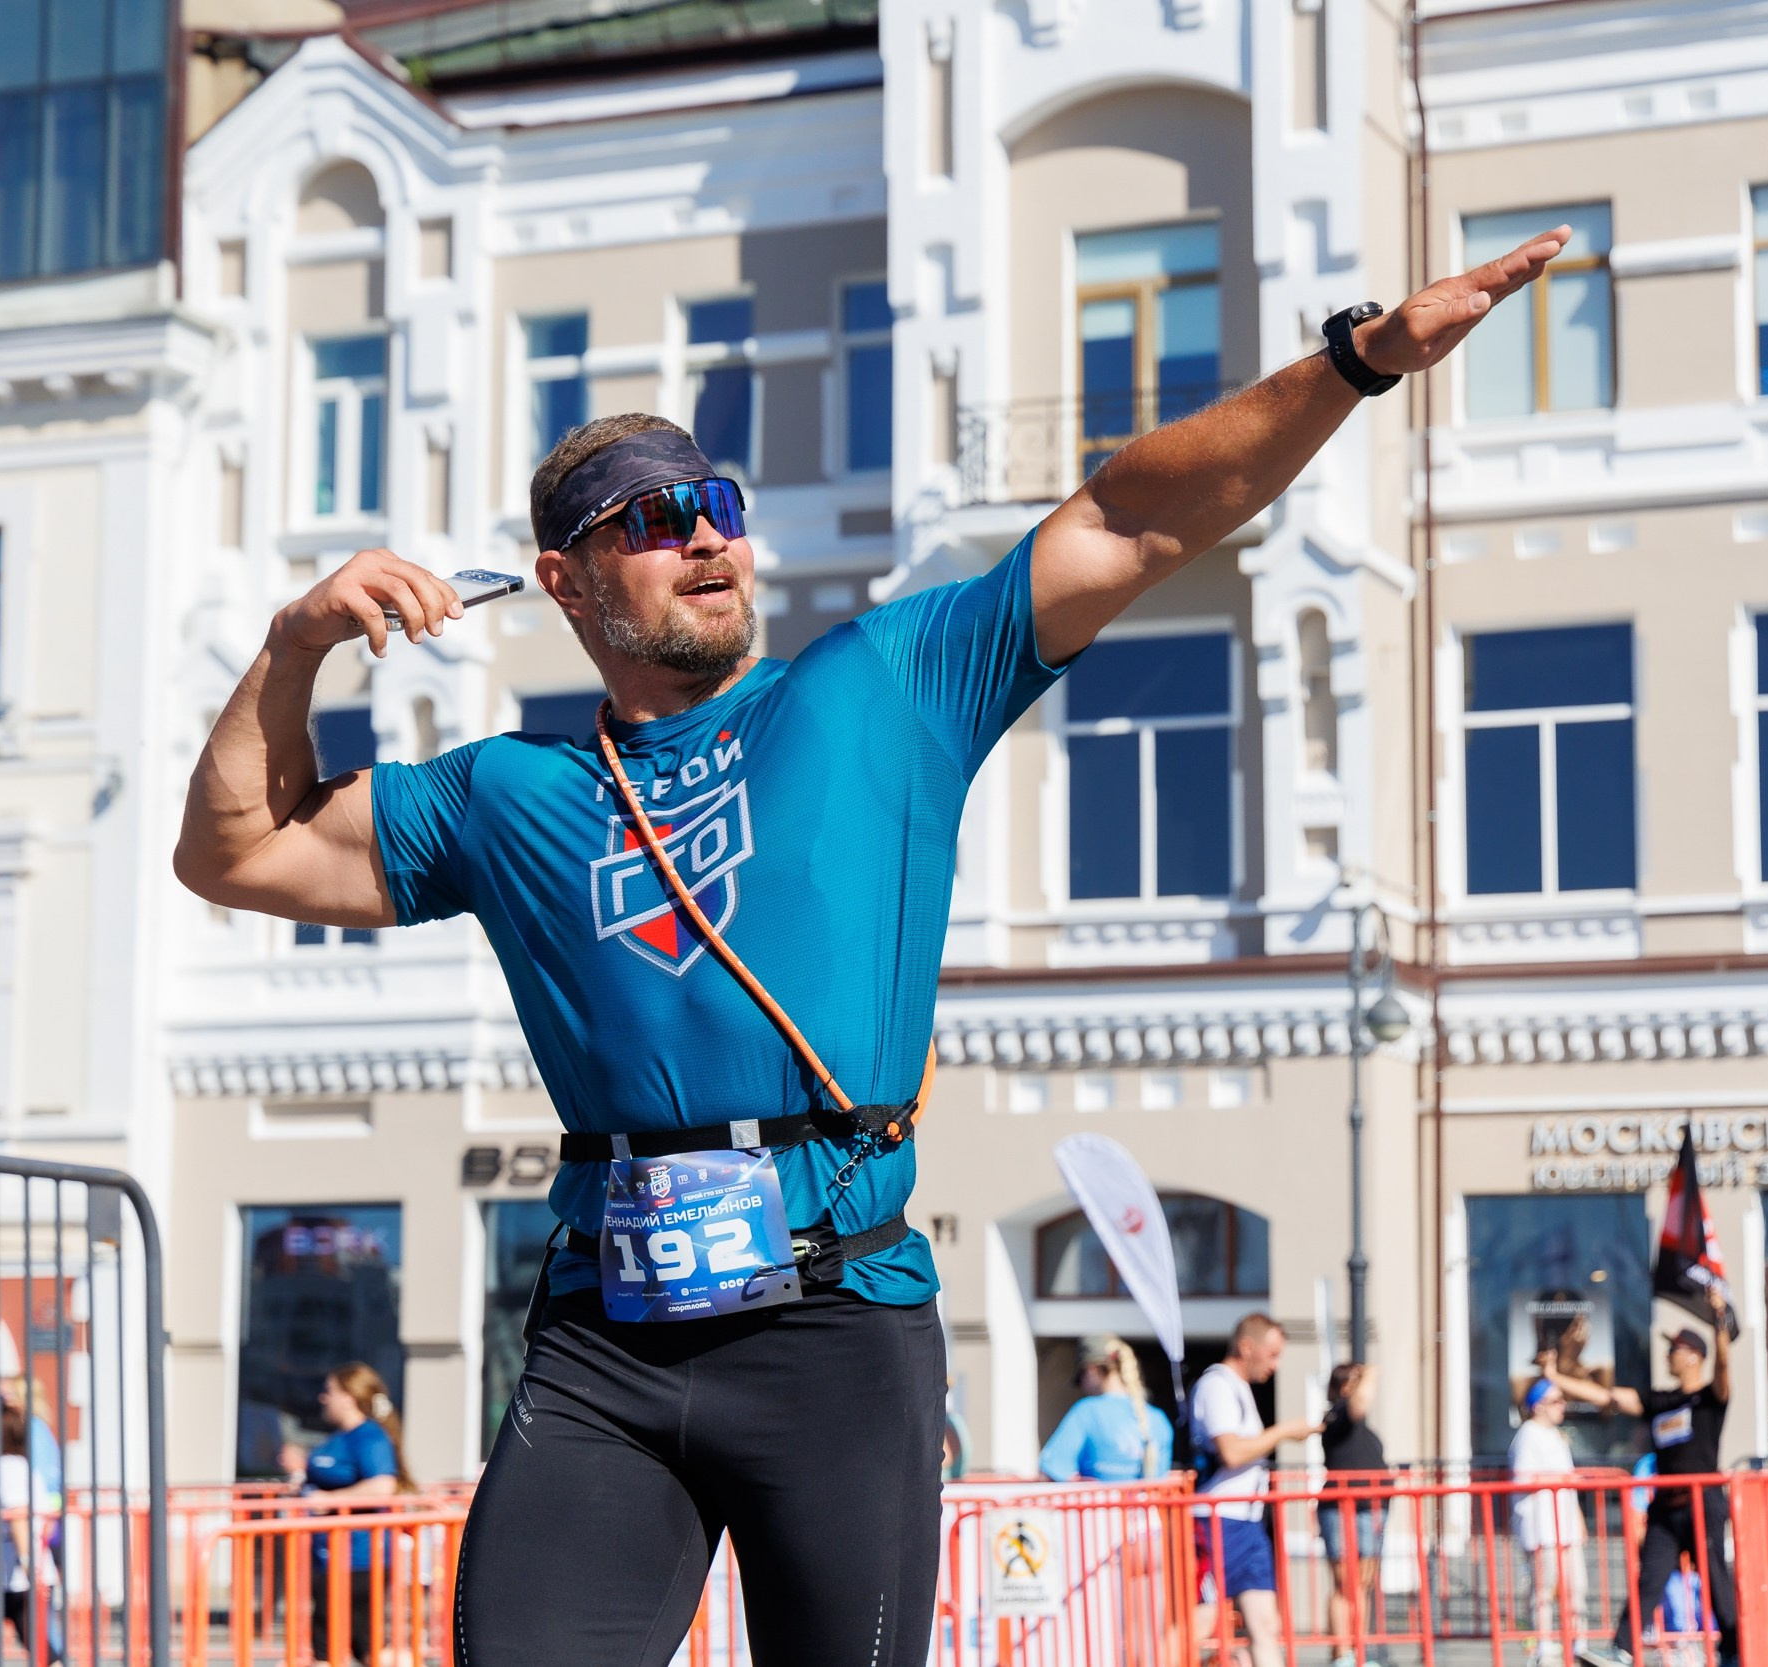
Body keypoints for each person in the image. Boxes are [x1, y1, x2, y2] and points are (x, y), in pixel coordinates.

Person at [171, 217, 1566, 1664]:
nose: (706, 533)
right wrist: (294, 644)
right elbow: (234, 849)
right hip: (605, 1336)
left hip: (837, 1323)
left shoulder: (878, 685)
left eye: (716, 499)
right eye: (652, 520)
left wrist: (1355, 362)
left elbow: (1134, 518)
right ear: (567, 580)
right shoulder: (507, 792)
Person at [1542, 1288, 1734, 1667]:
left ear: (1693, 1356)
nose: (1667, 1355)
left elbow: (1724, 1366)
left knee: (1714, 1579)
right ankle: (1622, 1649)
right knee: (1649, 1579)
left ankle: (1735, 1649)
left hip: (1702, 1501)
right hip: (1666, 1505)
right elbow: (1608, 1397)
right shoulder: (1661, 1401)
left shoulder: (1710, 1398)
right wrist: (1555, 1377)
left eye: (1674, 1349)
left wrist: (1719, 1321)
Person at [1189, 1314, 1318, 1667]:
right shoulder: (1217, 1385)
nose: (1275, 1365)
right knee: (1203, 1620)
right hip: (1214, 1520)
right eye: (1272, 1354)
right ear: (1247, 1347)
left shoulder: (1238, 1386)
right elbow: (1231, 1451)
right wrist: (1283, 1432)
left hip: (1246, 1521)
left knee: (1265, 1623)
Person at [304, 1364, 413, 1666]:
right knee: (356, 1646)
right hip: (332, 1556)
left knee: (361, 1646)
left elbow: (383, 1485)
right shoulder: (343, 1436)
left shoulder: (368, 1437)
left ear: (349, 1397)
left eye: (330, 1391)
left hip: (359, 1558)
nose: (323, 1398)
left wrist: (329, 1499)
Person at [1511, 1377, 1588, 1664]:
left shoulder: (1557, 1435)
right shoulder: (1528, 1435)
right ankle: (1544, 1644)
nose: (1562, 1406)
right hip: (1541, 1527)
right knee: (1543, 1590)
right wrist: (1562, 1481)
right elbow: (1523, 1478)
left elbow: (1568, 1485)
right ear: (1539, 1406)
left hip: (1564, 1526)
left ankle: (1577, 1641)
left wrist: (1578, 1518)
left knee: (1575, 1587)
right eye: (1556, 1401)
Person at [1318, 1362, 1387, 1667]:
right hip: (1341, 1507)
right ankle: (1341, 1653)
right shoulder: (1336, 1416)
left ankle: (1358, 1651)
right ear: (1346, 1387)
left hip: (1370, 1509)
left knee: (1363, 1584)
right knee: (1344, 1584)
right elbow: (1358, 1405)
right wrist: (1370, 1372)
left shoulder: (1362, 1430)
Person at [0, 1406, 51, 1665]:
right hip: (7, 1574)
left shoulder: (9, 1467)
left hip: (13, 1575)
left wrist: (30, 1567)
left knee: (35, 1644)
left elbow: (19, 1517)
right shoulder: (15, 1466)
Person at [1040, 1335, 1172, 1483]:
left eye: (1080, 1380)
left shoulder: (1086, 1411)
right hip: (1146, 1506)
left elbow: (1050, 1472)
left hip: (1098, 1505)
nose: (1082, 1387)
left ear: (1091, 1370)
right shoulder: (1158, 1419)